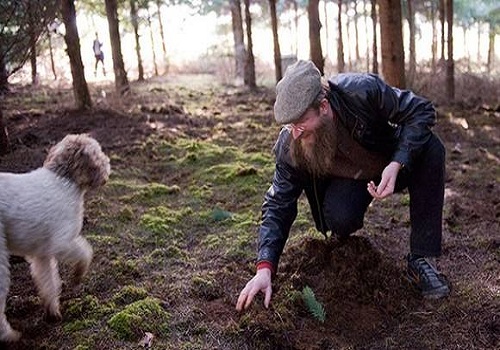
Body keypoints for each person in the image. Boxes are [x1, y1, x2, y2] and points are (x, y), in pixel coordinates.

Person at [236, 60, 450, 312]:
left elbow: (422, 111)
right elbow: (277, 203)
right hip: (352, 181)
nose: (295, 133)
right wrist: (265, 267)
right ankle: (341, 224)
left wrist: (397, 162)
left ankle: (421, 258)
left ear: (323, 107)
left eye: (302, 122)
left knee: (431, 149)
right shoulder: (290, 144)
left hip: (391, 163)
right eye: (290, 125)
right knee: (339, 217)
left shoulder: (361, 92)